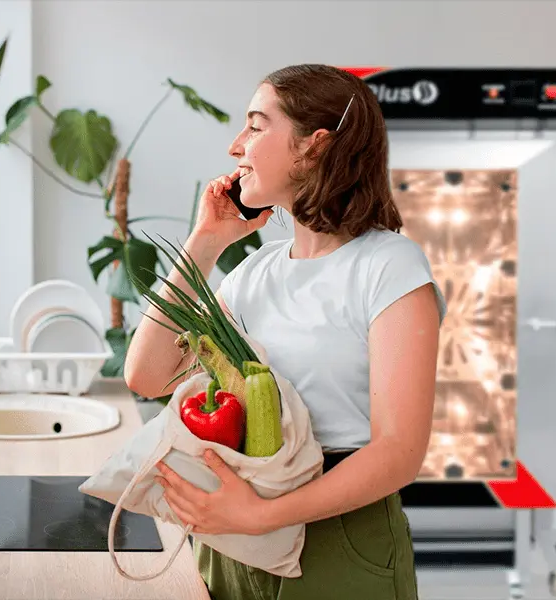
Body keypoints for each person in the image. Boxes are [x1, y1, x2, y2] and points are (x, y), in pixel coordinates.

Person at [123, 63, 447, 600]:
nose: (235, 146)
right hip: (232, 536)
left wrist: (263, 514)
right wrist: (207, 239)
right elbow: (147, 374)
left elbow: (399, 451)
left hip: (336, 541)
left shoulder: (389, 266)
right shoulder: (256, 271)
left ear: (312, 147)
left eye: (255, 125)